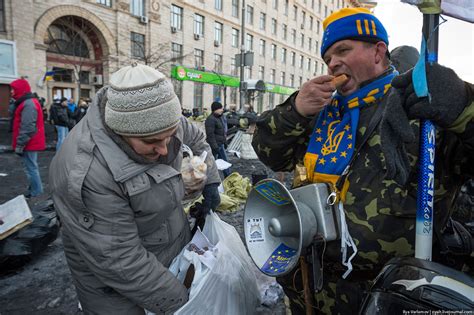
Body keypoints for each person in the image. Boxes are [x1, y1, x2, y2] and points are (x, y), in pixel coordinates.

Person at [252, 7, 473, 314]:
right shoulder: (322, 112)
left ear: (378, 52)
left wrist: (464, 106)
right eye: (327, 58)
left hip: (383, 295)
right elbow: (269, 152)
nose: (333, 64)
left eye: (343, 50)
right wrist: (296, 110)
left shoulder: (420, 107)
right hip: (311, 286)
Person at [49, 63, 221, 314]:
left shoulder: (162, 121)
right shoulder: (87, 173)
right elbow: (121, 261)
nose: (163, 149)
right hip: (118, 293)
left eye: (169, 136)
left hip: (169, 259)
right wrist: (186, 304)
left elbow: (196, 138)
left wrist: (212, 182)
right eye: (151, 142)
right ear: (121, 131)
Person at [10, 78, 46, 198]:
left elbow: (28, 127)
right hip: (29, 141)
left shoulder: (29, 103)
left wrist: (20, 144)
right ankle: (34, 190)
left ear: (20, 89)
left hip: (29, 142)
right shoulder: (26, 102)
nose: (11, 92)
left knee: (31, 168)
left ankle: (37, 193)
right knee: (30, 167)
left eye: (13, 89)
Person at [205, 101, 231, 177]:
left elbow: (222, 133)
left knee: (220, 163)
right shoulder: (211, 119)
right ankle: (228, 177)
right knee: (221, 162)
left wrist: (225, 143)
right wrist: (215, 146)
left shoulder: (218, 118)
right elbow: (210, 135)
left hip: (220, 144)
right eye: (220, 108)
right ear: (215, 109)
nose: (222, 110)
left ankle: (226, 177)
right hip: (216, 146)